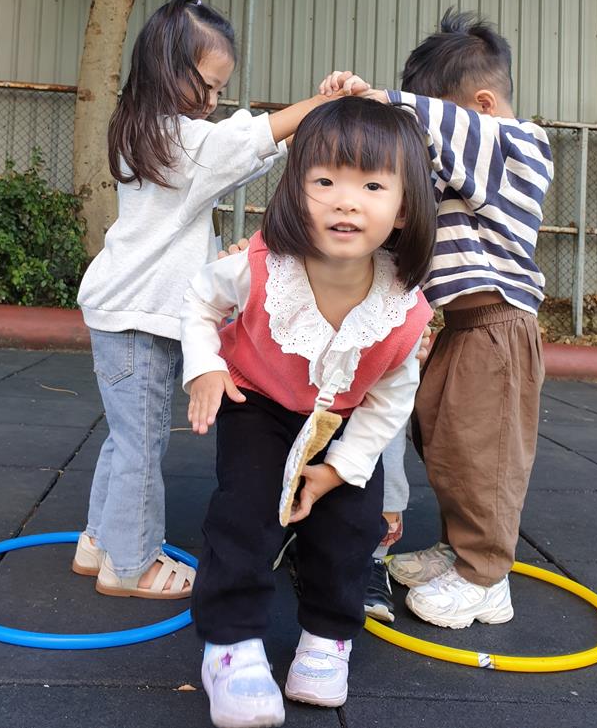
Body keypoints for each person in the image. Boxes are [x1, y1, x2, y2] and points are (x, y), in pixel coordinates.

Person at [73, 0, 346, 600]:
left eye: (222, 90)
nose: (214, 100)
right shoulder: (175, 141)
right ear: (167, 68)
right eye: (208, 85)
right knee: (141, 443)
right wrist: (323, 105)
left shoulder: (145, 132)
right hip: (139, 320)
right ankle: (130, 564)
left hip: (126, 313)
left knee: (125, 437)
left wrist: (308, 116)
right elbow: (235, 145)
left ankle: (99, 540)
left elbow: (241, 156)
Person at [180, 97, 436, 728]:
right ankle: (231, 646)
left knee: (350, 526)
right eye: (324, 181)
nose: (346, 202)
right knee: (247, 511)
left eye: (372, 186)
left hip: (343, 422)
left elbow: (390, 398)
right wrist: (205, 366)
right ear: (295, 192)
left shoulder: (403, 308)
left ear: (404, 208)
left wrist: (340, 469)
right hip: (259, 404)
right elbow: (199, 300)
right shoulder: (264, 266)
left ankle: (326, 637)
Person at [321, 8, 554, 630]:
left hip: (499, 327)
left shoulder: (517, 148)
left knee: (485, 454)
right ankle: (460, 548)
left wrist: (379, 102)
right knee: (450, 446)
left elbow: (443, 127)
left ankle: (486, 579)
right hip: (462, 328)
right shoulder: (462, 165)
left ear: (482, 105)